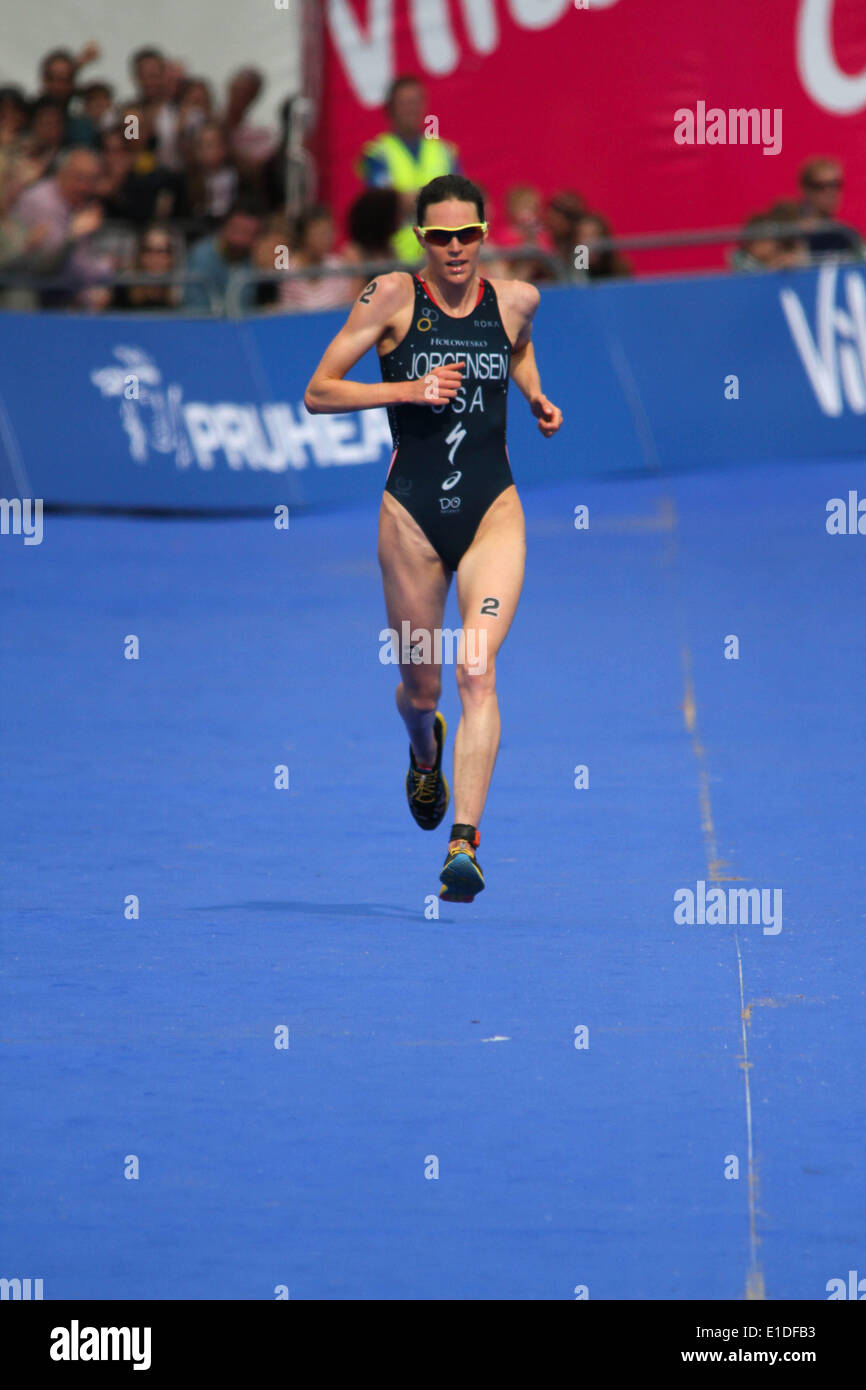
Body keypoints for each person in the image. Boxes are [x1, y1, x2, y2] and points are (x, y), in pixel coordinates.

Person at [304, 173, 563, 901]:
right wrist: (407, 390)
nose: (455, 249)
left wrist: (534, 394)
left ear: (485, 235)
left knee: (475, 670)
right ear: (421, 239)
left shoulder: (517, 299)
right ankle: (424, 753)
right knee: (422, 691)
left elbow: (516, 348)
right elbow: (319, 390)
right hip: (412, 520)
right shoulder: (390, 296)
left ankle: (466, 845)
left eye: (468, 235)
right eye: (441, 237)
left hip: (492, 513)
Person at [356, 75, 460, 263]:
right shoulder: (377, 153)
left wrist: (409, 198)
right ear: (391, 108)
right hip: (394, 256)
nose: (411, 109)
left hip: (440, 255)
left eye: (416, 102)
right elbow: (384, 204)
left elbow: (461, 197)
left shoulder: (444, 151)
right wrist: (439, 197)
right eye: (404, 103)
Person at [277, 205, 355, 312]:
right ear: (304, 236)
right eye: (320, 233)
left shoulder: (339, 267)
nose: (327, 239)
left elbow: (345, 309)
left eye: (329, 232)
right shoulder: (289, 272)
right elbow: (288, 313)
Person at [796, 156, 863, 259]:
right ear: (805, 189)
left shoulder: (844, 235)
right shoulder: (789, 230)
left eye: (835, 185)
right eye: (821, 186)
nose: (830, 192)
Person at [573, 212, 632, 279]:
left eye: (595, 235)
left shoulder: (620, 269)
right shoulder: (569, 271)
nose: (590, 242)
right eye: (584, 236)